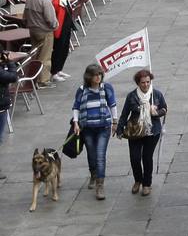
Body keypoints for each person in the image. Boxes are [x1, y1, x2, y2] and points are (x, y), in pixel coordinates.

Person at [116, 69, 168, 197]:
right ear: (138, 83)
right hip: (135, 131)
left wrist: (156, 113)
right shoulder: (132, 96)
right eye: (143, 82)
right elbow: (124, 114)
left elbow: (164, 109)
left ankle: (147, 184)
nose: (145, 85)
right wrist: (119, 128)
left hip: (152, 131)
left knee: (147, 157)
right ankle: (137, 180)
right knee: (134, 158)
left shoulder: (156, 94)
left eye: (148, 82)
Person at [71, 64, 116, 201]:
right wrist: (76, 122)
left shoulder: (106, 88)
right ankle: (93, 174)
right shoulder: (82, 90)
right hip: (87, 127)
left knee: (100, 155)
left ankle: (100, 185)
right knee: (91, 153)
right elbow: (76, 107)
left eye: (100, 74)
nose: (98, 77)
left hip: (103, 127)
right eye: (95, 75)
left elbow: (112, 105)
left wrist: (115, 121)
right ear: (89, 76)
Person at [22, 0, 56, 87]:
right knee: (45, 57)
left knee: (35, 55)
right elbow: (50, 20)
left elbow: (24, 16)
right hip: (45, 31)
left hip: (33, 31)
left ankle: (33, 78)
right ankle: (43, 80)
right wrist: (55, 26)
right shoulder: (45, 1)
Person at [49, 0, 72, 82]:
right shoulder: (55, 3)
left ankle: (59, 69)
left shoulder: (66, 0)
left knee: (65, 50)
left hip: (66, 29)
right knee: (58, 51)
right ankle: (54, 72)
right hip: (59, 31)